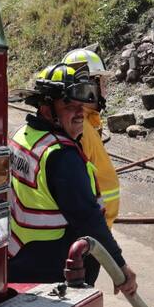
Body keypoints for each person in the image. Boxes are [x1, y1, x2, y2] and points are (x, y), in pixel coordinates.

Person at [8, 63, 137, 307]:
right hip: (53, 268)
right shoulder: (60, 155)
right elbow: (89, 221)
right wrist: (120, 268)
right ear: (46, 107)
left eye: (83, 106)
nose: (79, 114)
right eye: (69, 105)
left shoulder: (23, 136)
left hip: (21, 257)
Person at [63, 47, 121, 228]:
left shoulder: (85, 122)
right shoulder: (80, 129)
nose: (105, 90)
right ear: (88, 87)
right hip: (92, 231)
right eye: (102, 82)